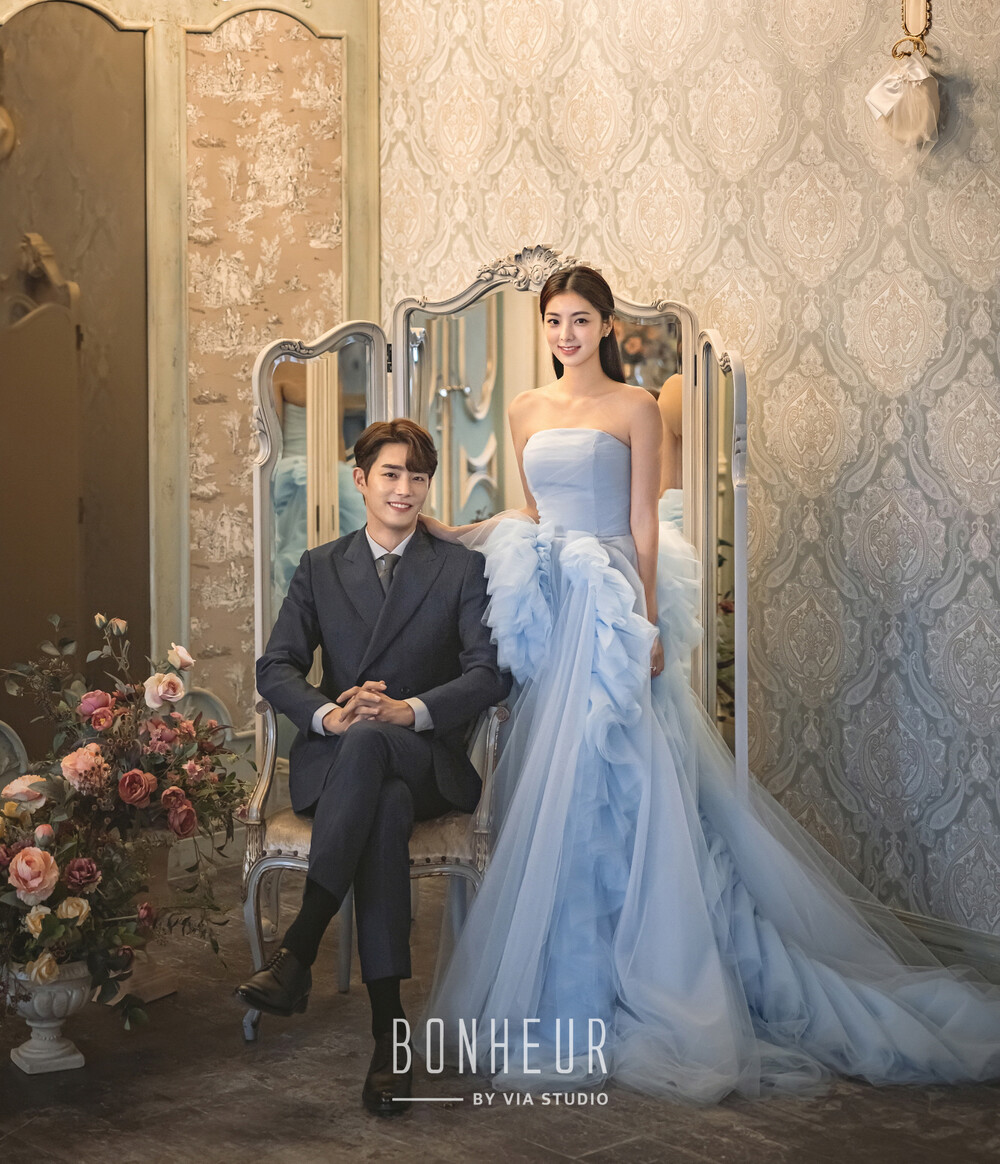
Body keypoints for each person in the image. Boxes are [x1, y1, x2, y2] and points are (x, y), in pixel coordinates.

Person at [419, 265, 1000, 1103]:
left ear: (606, 326)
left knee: (626, 785)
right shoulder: (524, 409)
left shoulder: (635, 406)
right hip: (558, 606)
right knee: (556, 794)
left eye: (580, 319)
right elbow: (536, 516)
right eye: (554, 321)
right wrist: (457, 529)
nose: (566, 335)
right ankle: (569, 979)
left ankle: (655, 970)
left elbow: (645, 519)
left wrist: (648, 618)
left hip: (614, 605)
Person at [237, 418, 505, 1116]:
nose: (405, 488)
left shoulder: (460, 569)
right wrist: (330, 714)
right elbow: (276, 666)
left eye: (418, 476)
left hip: (426, 760)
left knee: (377, 746)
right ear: (360, 480)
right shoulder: (321, 566)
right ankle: (392, 1034)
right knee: (378, 795)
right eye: (390, 473)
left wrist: (406, 710)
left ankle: (299, 948)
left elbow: (488, 675)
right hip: (342, 763)